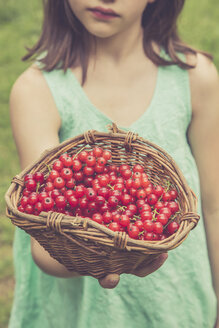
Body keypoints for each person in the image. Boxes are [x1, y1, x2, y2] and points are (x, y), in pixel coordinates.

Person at [8, 0, 219, 327]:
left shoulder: (194, 79)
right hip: (79, 316)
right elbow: (42, 236)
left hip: (175, 306)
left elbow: (214, 206)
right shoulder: (36, 90)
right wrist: (102, 261)